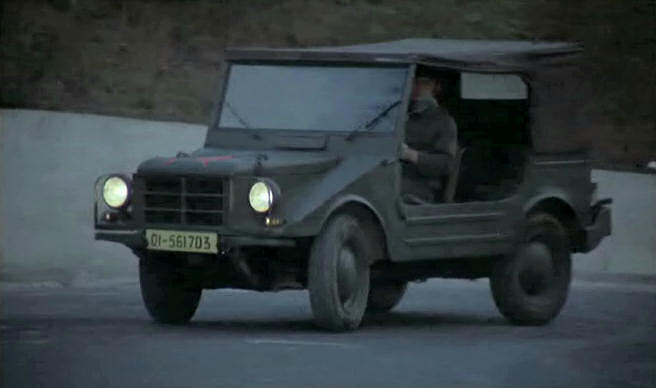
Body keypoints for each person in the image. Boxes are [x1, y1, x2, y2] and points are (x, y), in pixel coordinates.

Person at [401, 72, 458, 204]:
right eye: (413, 81)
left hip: (422, 186)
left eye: (424, 82)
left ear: (436, 86)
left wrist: (411, 155)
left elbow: (446, 164)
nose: (416, 87)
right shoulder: (397, 114)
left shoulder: (444, 122)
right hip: (390, 176)